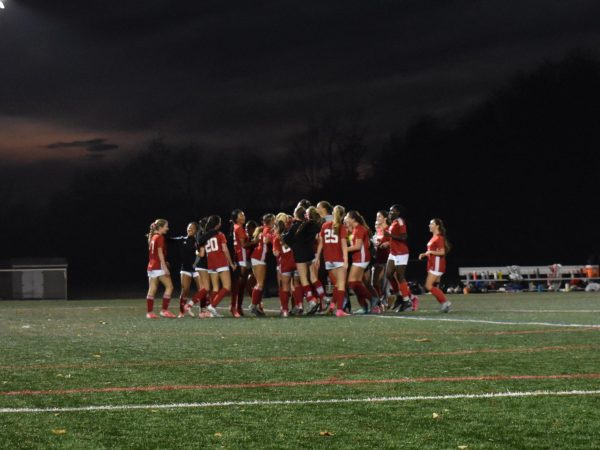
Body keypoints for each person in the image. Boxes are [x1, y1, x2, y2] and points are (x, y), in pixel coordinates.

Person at [283, 205, 322, 315]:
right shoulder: (310, 224)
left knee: (304, 279)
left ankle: (311, 300)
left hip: (300, 256)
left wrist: (282, 233)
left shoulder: (295, 226)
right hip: (310, 254)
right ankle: (324, 299)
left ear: (296, 215)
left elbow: (286, 240)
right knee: (313, 278)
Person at [315, 205, 349, 317]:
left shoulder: (324, 225)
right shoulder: (342, 227)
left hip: (328, 259)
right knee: (341, 284)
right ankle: (339, 310)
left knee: (338, 284)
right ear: (342, 215)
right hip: (338, 258)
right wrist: (346, 260)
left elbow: (320, 243)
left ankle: (332, 306)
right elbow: (344, 245)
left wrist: (317, 257)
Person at [384, 204, 419, 312]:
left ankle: (406, 301)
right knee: (388, 274)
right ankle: (399, 296)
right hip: (393, 252)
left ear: (398, 212)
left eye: (392, 211)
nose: (390, 213)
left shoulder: (400, 221)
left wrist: (390, 236)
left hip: (401, 252)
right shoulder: (393, 222)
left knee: (400, 276)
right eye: (389, 211)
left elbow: (404, 237)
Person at [167, 222, 203, 318]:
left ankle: (201, 311)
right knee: (185, 290)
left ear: (196, 230)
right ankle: (182, 312)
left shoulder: (198, 241)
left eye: (192, 228)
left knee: (202, 290)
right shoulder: (182, 239)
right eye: (188, 227)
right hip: (185, 269)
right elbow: (169, 240)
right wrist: (158, 234)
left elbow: (201, 254)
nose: (189, 229)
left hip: (197, 269)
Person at [203, 215, 237, 317]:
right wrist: (231, 263)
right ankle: (212, 306)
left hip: (211, 263)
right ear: (217, 224)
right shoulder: (220, 234)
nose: (221, 224)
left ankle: (210, 311)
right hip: (220, 262)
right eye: (220, 222)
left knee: (215, 288)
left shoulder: (206, 235)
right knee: (227, 287)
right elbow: (225, 249)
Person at [418, 218, 452, 313]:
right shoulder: (434, 237)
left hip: (437, 265)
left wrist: (430, 251)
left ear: (437, 226)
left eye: (431, 224)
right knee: (434, 287)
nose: (429, 225)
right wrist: (425, 254)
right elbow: (434, 251)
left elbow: (442, 252)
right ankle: (444, 305)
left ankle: (445, 302)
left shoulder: (439, 237)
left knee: (428, 286)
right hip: (433, 264)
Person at [145, 219, 176, 319]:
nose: (167, 228)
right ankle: (164, 310)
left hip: (151, 266)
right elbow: (159, 253)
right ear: (160, 227)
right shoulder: (160, 237)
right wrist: (165, 267)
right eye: (166, 226)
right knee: (170, 287)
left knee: (152, 289)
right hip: (158, 266)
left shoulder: (153, 236)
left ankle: (149, 313)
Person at [345, 210, 373, 314]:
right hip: (358, 258)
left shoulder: (359, 229)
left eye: (348, 217)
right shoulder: (355, 230)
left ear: (353, 219)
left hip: (361, 258)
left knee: (352, 283)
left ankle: (372, 299)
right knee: (356, 283)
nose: (346, 219)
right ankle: (364, 306)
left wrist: (342, 249)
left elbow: (357, 246)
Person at [231, 209, 256, 317]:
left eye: (244, 214)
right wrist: (256, 241)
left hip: (241, 258)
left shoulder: (236, 227)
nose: (244, 216)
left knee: (241, 285)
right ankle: (235, 307)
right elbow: (244, 245)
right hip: (242, 259)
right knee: (239, 285)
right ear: (236, 217)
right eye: (241, 215)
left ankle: (238, 307)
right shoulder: (239, 228)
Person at [249, 214, 275, 316]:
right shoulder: (267, 229)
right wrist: (274, 236)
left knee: (259, 284)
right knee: (259, 284)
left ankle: (256, 305)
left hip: (257, 257)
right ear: (271, 221)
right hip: (259, 258)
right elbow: (265, 240)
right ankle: (253, 305)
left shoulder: (264, 228)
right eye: (274, 220)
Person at [372, 211, 391, 308]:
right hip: (378, 259)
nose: (377, 217)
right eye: (377, 216)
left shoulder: (388, 229)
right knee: (375, 282)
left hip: (387, 259)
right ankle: (380, 301)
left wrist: (388, 244)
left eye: (379, 216)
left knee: (384, 284)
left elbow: (395, 241)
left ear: (385, 218)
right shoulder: (379, 231)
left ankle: (385, 301)